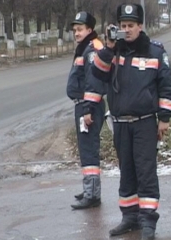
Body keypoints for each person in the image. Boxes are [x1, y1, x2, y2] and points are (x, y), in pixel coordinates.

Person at [91, 3, 171, 240]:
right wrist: (109, 47)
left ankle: (148, 221)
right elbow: (97, 74)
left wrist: (165, 118)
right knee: (126, 171)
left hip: (145, 123)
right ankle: (129, 217)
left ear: (141, 26)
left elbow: (167, 87)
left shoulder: (155, 52)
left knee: (146, 172)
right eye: (123, 26)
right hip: (120, 123)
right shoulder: (113, 51)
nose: (126, 30)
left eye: (131, 25)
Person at [66, 11, 106, 210]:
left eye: (80, 30)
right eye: (75, 30)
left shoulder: (92, 49)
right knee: (86, 149)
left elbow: (94, 81)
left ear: (89, 30)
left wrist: (88, 109)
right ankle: (90, 190)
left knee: (89, 150)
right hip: (84, 105)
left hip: (88, 106)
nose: (76, 33)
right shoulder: (86, 47)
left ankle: (92, 195)